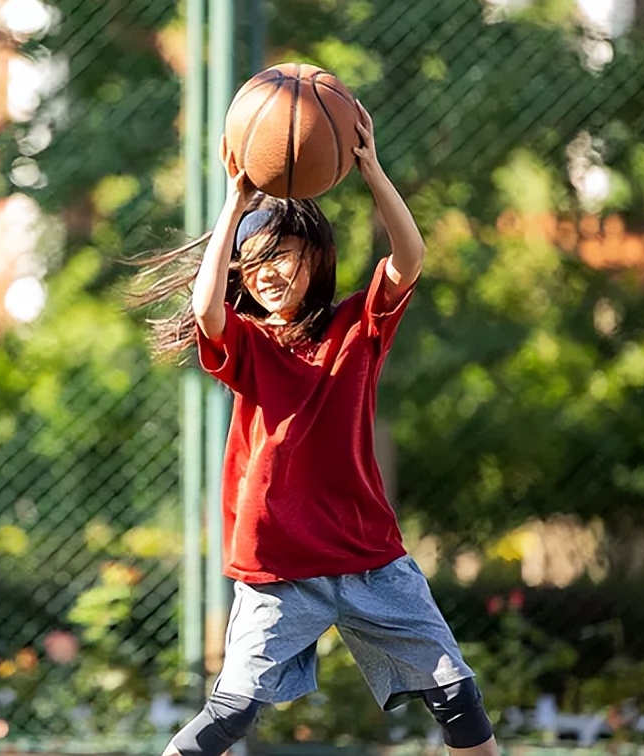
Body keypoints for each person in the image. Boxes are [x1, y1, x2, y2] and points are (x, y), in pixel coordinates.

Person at [133, 102, 498, 756]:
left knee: (459, 700)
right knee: (230, 714)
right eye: (256, 260)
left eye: (284, 254)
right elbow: (205, 307)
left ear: (317, 258)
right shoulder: (246, 343)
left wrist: (371, 169)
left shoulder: (357, 327)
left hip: (369, 557)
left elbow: (409, 257)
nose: (270, 270)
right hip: (279, 565)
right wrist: (233, 201)